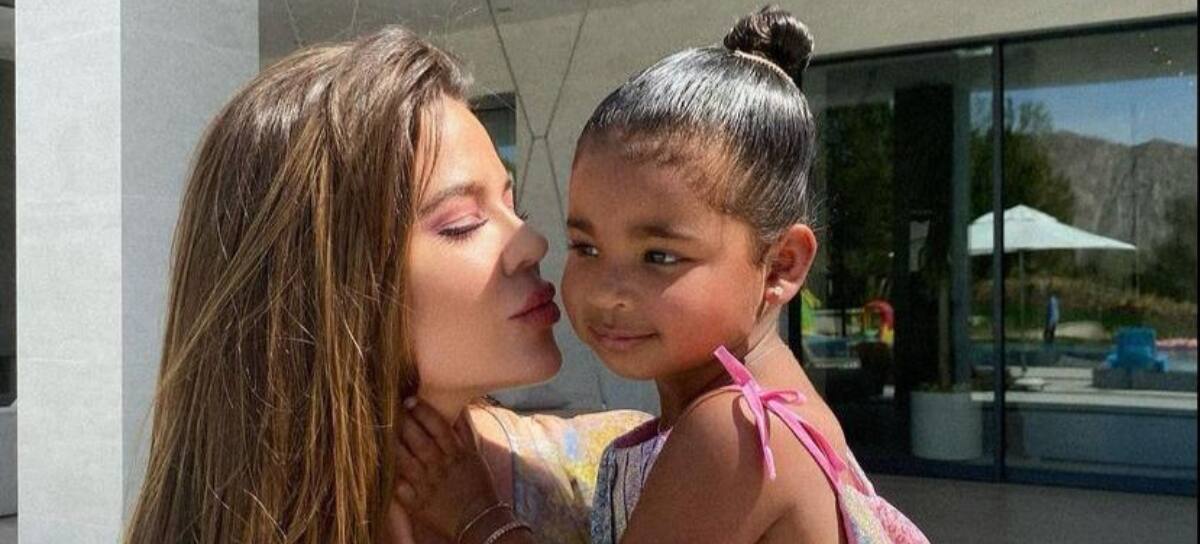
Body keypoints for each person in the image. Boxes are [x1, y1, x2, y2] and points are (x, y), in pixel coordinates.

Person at [395, 7, 929, 543]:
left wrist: (476, 514)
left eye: (658, 257)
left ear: (780, 266)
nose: (609, 291)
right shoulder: (754, 414)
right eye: (586, 247)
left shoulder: (738, 430)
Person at [123, 26, 646, 544]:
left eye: (515, 207)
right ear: (326, 290)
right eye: (462, 223)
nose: (532, 242)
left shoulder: (632, 476)